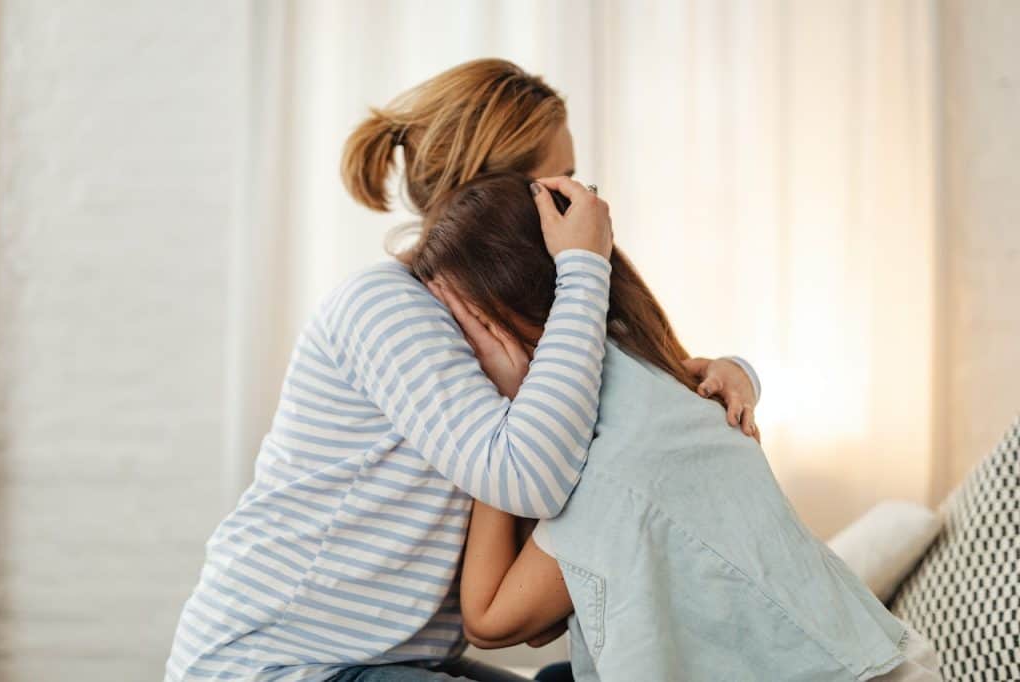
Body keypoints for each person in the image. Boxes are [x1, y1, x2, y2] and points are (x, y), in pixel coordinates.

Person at [165, 59, 762, 681]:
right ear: (492, 198)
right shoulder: (385, 306)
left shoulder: (510, 318)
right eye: (562, 183)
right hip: (282, 665)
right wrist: (584, 264)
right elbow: (525, 477)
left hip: (397, 660)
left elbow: (629, 397)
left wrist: (733, 372)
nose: (584, 204)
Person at [414, 172, 943, 682]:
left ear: (499, 319)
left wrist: (502, 428)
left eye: (460, 330)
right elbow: (548, 617)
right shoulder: (637, 366)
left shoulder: (618, 461)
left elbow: (490, 620)